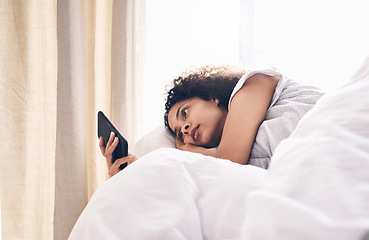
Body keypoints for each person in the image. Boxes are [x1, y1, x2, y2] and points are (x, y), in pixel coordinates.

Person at [100, 65, 323, 177]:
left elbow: (230, 158)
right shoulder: (216, 163)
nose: (185, 130)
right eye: (179, 134)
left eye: (185, 113)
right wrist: (133, 171)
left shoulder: (252, 84)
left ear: (211, 96)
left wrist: (182, 150)